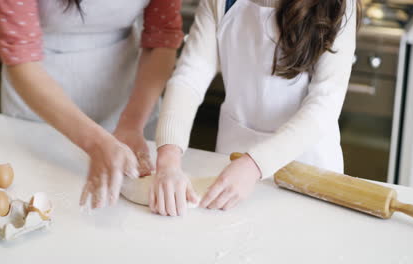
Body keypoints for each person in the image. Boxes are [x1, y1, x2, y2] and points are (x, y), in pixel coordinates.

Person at [151, 0, 360, 216]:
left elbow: (324, 105)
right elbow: (190, 77)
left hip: (308, 169)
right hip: (230, 165)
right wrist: (168, 159)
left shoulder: (340, 5)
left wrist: (254, 165)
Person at [0, 0, 183, 209]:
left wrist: (131, 124)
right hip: (41, 103)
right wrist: (96, 142)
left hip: (131, 98)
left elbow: (162, 38)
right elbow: (21, 55)